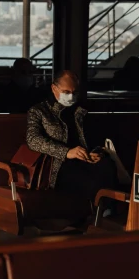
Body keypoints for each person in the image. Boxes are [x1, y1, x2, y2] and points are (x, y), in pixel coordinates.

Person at [26, 69, 117, 202]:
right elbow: (33, 139)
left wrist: (97, 152)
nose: (71, 97)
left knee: (107, 168)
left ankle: (107, 214)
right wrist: (67, 152)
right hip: (58, 165)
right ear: (54, 88)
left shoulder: (81, 111)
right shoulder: (39, 111)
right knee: (90, 181)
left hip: (85, 159)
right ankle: (97, 215)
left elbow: (96, 136)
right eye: (66, 92)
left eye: (74, 93)